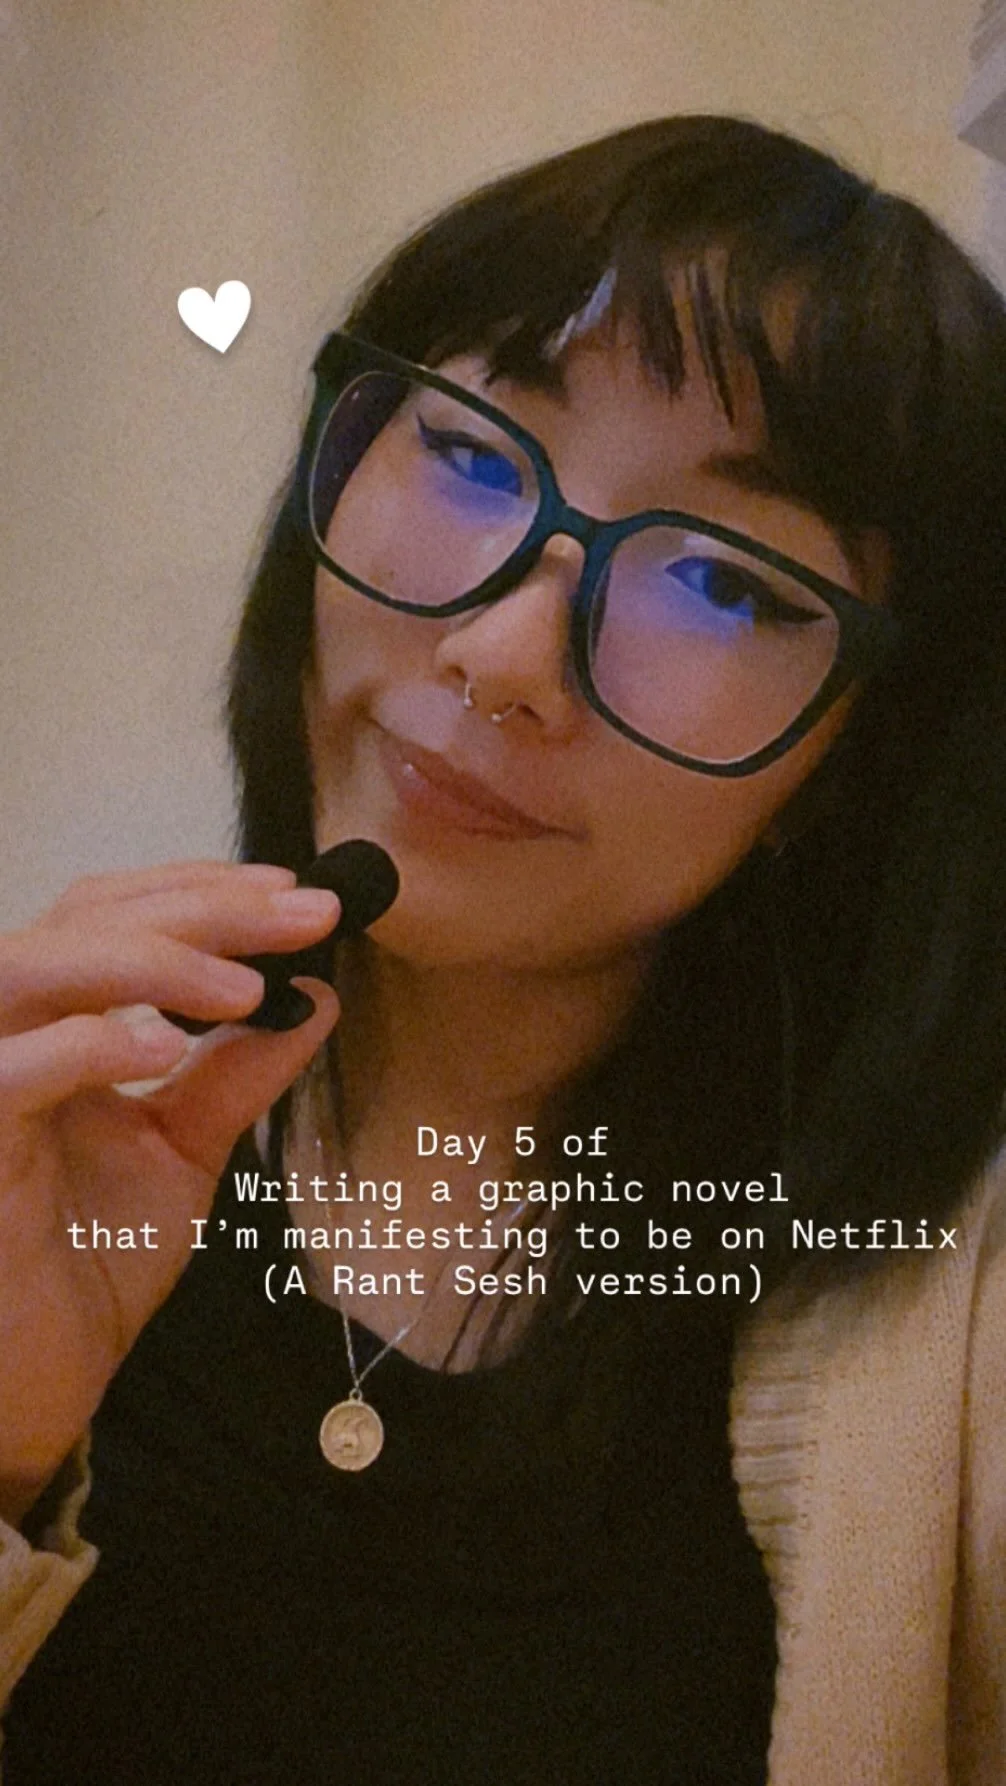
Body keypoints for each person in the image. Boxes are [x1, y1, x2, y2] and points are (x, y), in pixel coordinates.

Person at [0, 111, 1004, 1785]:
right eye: (471, 453)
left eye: (725, 584)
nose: (506, 650)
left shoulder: (939, 1336)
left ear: (854, 758)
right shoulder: (56, 1127)